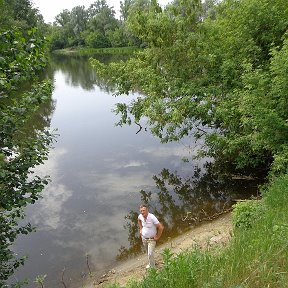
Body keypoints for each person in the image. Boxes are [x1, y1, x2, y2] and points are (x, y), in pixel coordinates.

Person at [138, 204, 164, 269]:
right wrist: (141, 228)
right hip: (144, 238)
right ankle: (151, 263)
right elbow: (138, 220)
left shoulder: (152, 217)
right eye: (141, 211)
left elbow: (161, 227)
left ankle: (153, 268)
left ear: (147, 210)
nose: (142, 212)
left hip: (152, 239)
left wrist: (157, 237)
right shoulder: (140, 216)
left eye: (143, 210)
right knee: (148, 252)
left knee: (150, 253)